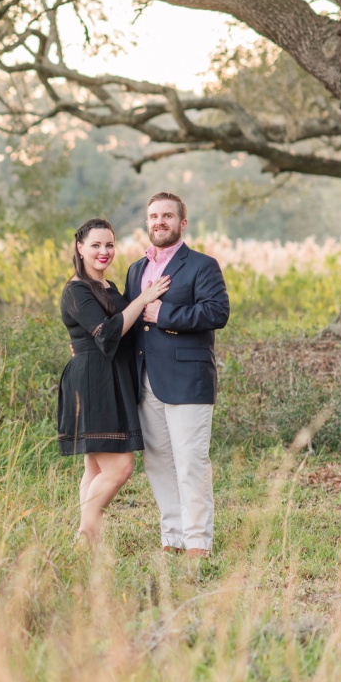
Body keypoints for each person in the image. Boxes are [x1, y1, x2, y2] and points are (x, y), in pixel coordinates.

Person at [125, 192, 230, 559]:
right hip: (146, 380)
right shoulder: (136, 270)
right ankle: (172, 537)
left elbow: (217, 312)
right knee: (158, 462)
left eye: (167, 216)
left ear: (182, 223)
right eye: (153, 216)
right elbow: (127, 323)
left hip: (188, 380)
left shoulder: (202, 265)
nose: (159, 222)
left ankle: (198, 542)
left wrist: (163, 315)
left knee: (191, 462)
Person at [57, 218, 170, 545]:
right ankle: (85, 534)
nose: (104, 251)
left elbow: (123, 328)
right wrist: (144, 297)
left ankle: (86, 544)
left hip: (110, 377)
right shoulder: (76, 289)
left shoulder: (106, 287)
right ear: (80, 248)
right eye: (95, 245)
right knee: (119, 467)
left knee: (94, 468)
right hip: (93, 381)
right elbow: (107, 333)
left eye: (109, 245)